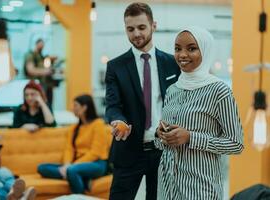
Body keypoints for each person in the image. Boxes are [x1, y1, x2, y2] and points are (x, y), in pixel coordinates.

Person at [155, 26, 244, 200]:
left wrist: (190, 137)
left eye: (191, 48)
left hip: (200, 189)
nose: (182, 55)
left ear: (205, 50)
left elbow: (236, 144)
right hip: (168, 187)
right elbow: (164, 144)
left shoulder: (219, 91)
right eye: (177, 49)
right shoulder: (173, 89)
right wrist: (161, 135)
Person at [105, 2, 180, 200]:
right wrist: (118, 121)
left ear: (153, 25)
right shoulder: (115, 67)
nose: (136, 33)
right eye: (130, 29)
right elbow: (113, 105)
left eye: (141, 27)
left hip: (163, 150)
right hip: (128, 149)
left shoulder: (172, 63)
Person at [37, 94, 111, 194]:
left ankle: (78, 191)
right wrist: (67, 164)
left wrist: (72, 166)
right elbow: (69, 149)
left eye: (75, 105)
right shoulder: (74, 128)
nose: (73, 108)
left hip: (97, 163)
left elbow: (96, 152)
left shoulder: (98, 124)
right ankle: (82, 178)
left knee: (72, 170)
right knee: (42, 168)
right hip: (75, 164)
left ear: (84, 107)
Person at [24, 39, 56, 108]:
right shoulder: (30, 55)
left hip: (45, 85)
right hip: (36, 85)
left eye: (43, 45)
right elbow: (30, 70)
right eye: (41, 44)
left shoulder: (41, 56)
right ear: (36, 44)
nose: (42, 46)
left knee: (47, 105)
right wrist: (46, 71)